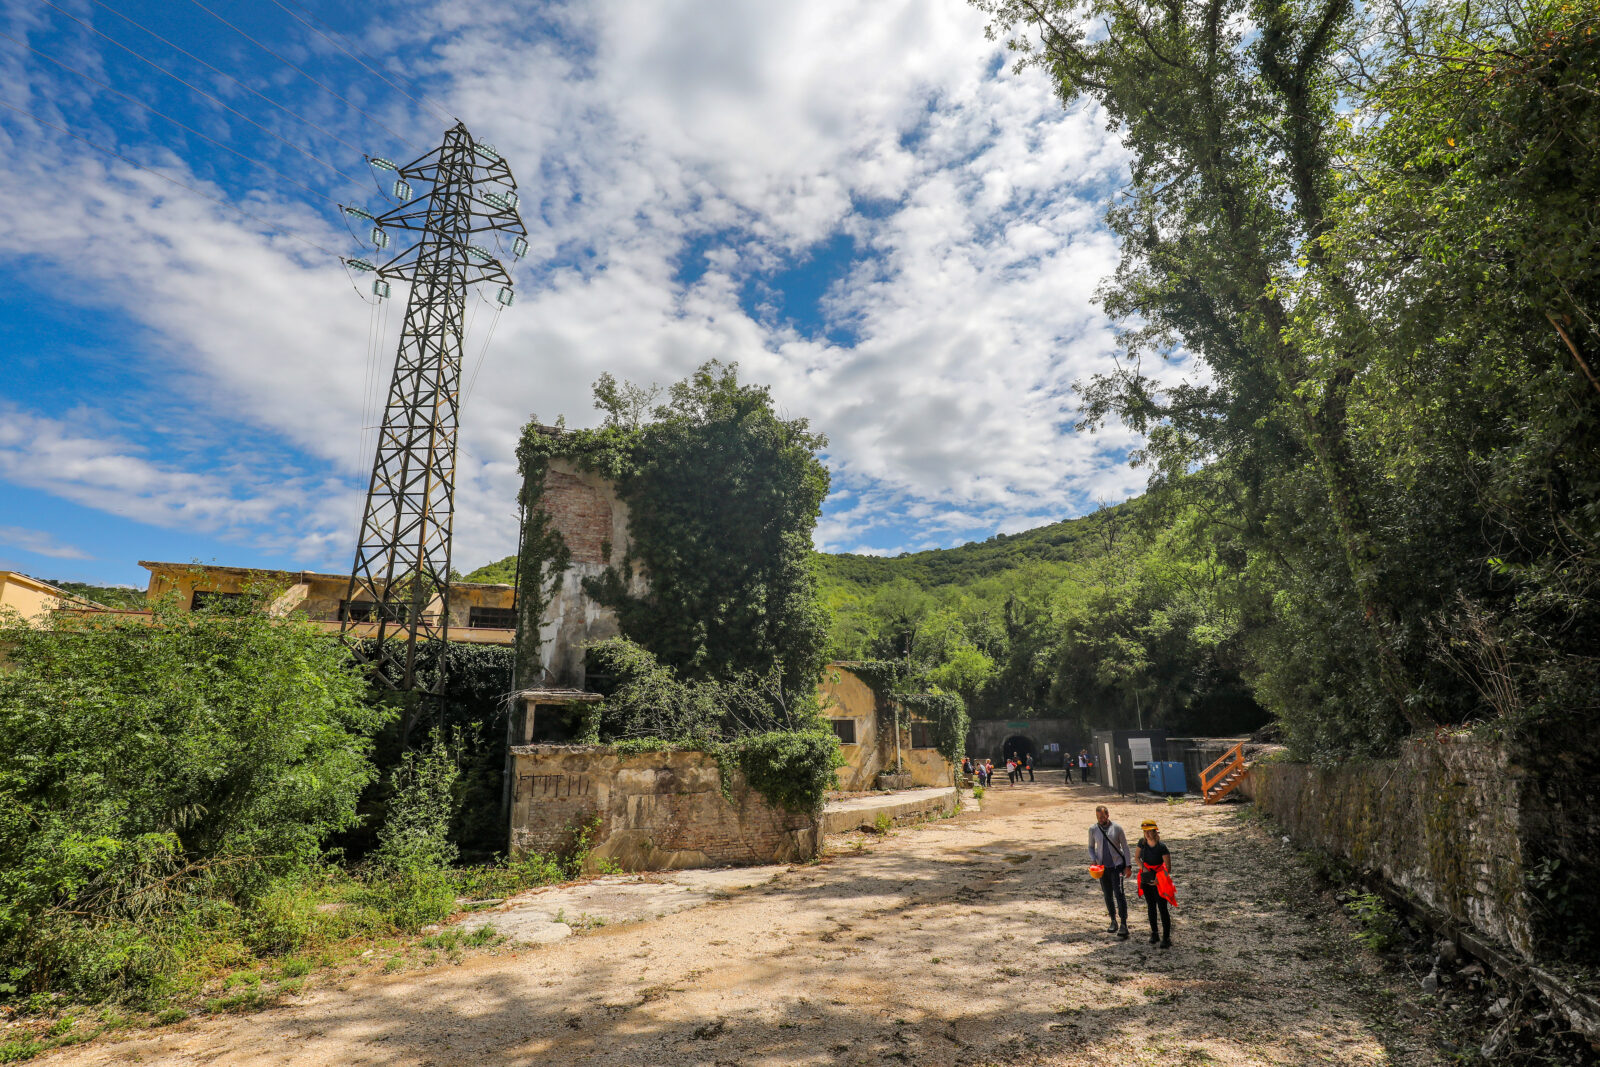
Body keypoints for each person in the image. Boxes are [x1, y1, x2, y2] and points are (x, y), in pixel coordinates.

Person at [1088, 805, 1131, 939]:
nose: (1100, 819)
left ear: (1107, 815)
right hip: (1102, 868)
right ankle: (1113, 920)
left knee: (1119, 893)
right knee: (1107, 894)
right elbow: (1090, 847)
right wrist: (1093, 859)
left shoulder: (1117, 828)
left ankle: (1123, 923)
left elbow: (1125, 847)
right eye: (1098, 817)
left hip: (1117, 866)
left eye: (1102, 816)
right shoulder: (1093, 829)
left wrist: (1128, 865)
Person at [1136, 819, 1175, 948]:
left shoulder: (1161, 847)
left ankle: (1166, 937)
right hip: (1147, 877)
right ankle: (1154, 933)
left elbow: (1168, 867)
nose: (1147, 834)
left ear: (1155, 831)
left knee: (1162, 908)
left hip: (1159, 879)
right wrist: (1143, 868)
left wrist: (1159, 878)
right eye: (1145, 831)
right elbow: (1136, 858)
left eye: (1149, 831)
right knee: (1151, 906)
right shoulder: (1142, 843)